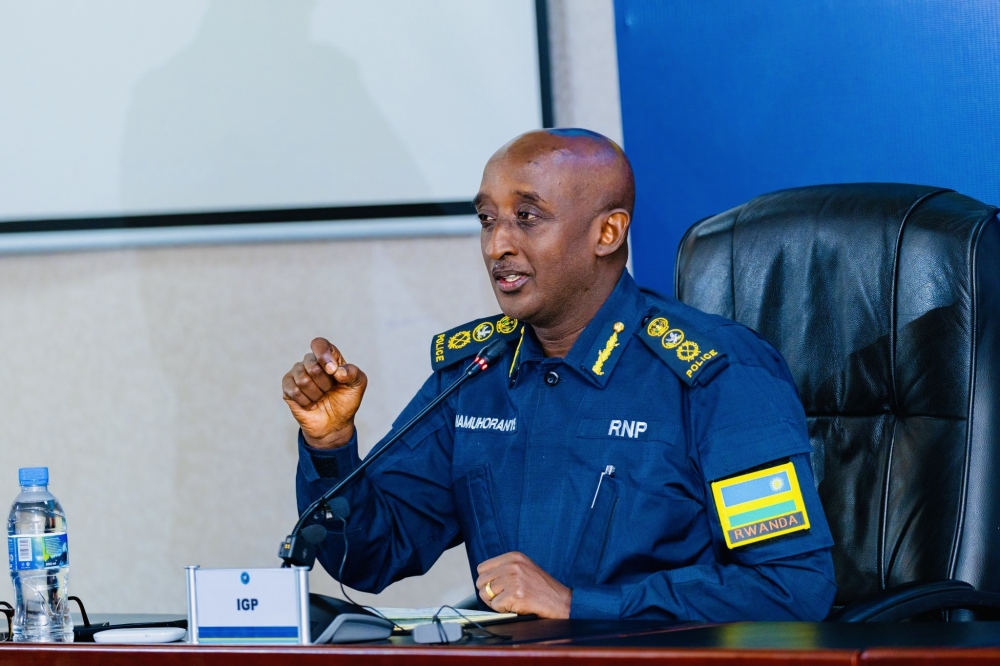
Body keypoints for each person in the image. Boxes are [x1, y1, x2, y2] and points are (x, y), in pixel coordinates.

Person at [282, 129, 836, 621]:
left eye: (527, 218)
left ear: (608, 233)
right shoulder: (475, 373)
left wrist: (578, 605)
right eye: (487, 219)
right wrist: (330, 445)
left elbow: (789, 587)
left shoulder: (716, 375)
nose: (498, 245)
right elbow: (373, 556)